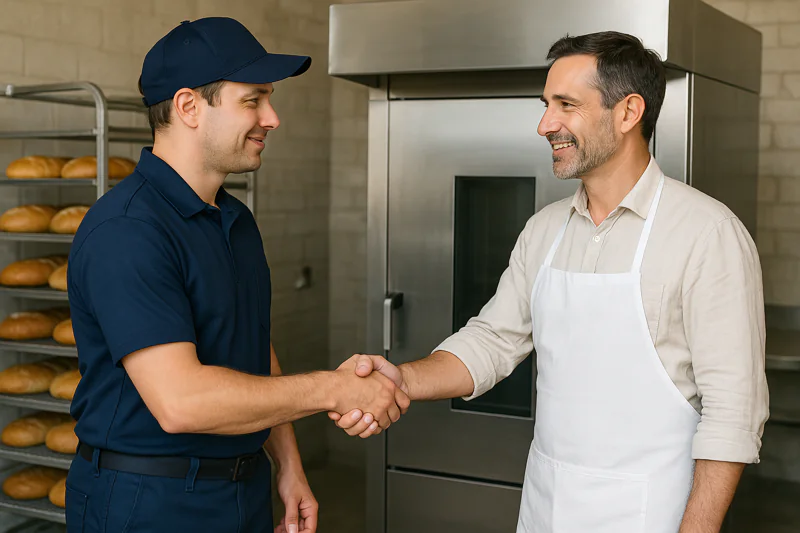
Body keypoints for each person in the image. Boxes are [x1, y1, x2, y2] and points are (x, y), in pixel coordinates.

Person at [331, 31, 769, 533]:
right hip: (547, 507)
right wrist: (400, 380)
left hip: (653, 514)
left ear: (628, 113)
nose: (545, 125)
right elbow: (493, 341)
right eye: (546, 105)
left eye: (566, 105)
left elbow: (733, 413)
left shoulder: (707, 234)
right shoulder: (545, 230)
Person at [65, 17, 408, 533]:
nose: (272, 118)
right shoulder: (128, 230)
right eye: (253, 100)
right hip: (147, 502)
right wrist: (333, 390)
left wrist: (287, 466)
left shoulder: (235, 219)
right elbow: (182, 402)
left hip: (240, 490)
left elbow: (251, 350)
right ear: (188, 107)